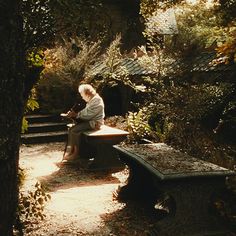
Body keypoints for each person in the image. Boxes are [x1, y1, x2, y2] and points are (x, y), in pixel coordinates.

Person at [62, 84, 105, 162]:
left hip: (95, 124)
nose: (82, 97)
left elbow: (88, 115)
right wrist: (74, 114)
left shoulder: (96, 101)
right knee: (71, 129)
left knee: (74, 130)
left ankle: (75, 154)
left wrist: (75, 115)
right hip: (90, 122)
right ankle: (70, 152)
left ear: (87, 93)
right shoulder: (93, 100)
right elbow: (85, 112)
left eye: (82, 94)